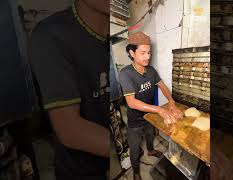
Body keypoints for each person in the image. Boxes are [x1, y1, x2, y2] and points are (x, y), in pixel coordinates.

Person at [29, 0, 110, 179]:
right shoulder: (50, 36)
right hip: (83, 172)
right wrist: (129, 148)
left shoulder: (122, 33)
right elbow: (70, 129)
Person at [119, 31, 183, 180]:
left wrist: (172, 103)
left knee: (150, 136)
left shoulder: (151, 71)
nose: (147, 56)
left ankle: (151, 151)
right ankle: (135, 172)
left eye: (149, 52)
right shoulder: (126, 74)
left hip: (149, 116)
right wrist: (159, 109)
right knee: (134, 149)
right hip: (135, 121)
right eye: (143, 53)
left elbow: (162, 86)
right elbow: (131, 102)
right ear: (132, 53)